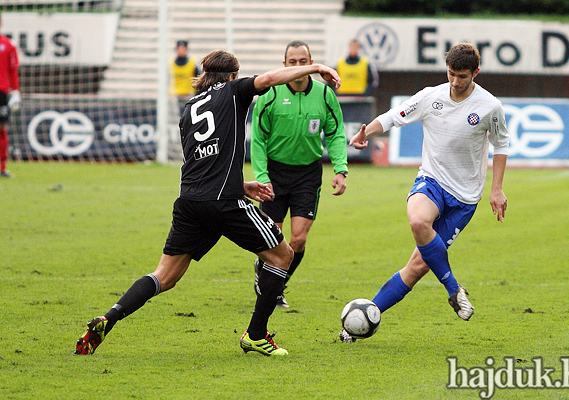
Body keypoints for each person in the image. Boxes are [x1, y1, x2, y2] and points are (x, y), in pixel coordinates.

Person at [74, 49, 342, 356]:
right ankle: (256, 335)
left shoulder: (189, 108)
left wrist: (242, 185)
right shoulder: (232, 90)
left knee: (164, 276)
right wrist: (316, 66)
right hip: (223, 203)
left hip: (190, 202)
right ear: (232, 76)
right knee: (282, 256)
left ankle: (109, 317)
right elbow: (268, 78)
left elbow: (200, 164)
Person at [340, 42, 509, 342]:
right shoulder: (431, 97)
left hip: (464, 198)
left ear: (476, 73)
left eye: (462, 76)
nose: (455, 82)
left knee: (417, 266)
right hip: (432, 180)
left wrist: (497, 189)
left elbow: (502, 144)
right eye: (451, 74)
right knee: (418, 221)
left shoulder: (489, 106)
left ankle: (363, 320)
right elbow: (394, 116)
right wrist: (367, 132)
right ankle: (453, 289)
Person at [251, 40, 348, 308]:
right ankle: (268, 280)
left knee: (299, 239)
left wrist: (340, 169)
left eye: (302, 61)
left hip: (308, 173)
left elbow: (336, 133)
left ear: (310, 63)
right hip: (274, 173)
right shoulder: (269, 96)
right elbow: (257, 141)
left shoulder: (325, 94)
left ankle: (277, 286)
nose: (297, 66)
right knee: (274, 240)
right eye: (292, 62)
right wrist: (261, 176)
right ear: (284, 65)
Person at [0, 14, 21, 178]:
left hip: (2, 92)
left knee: (2, 129)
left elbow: (13, 70)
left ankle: (3, 168)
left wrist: (16, 92)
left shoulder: (8, 44)